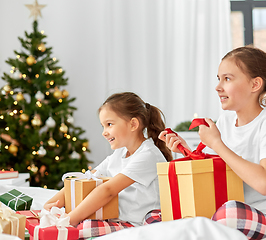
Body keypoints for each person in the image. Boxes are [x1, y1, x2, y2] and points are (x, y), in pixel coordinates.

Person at [158, 46, 266, 240]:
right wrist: (186, 150)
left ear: (255, 84)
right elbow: (213, 169)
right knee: (157, 215)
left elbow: (265, 183)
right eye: (218, 79)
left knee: (229, 213)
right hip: (229, 211)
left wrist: (217, 144)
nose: (218, 87)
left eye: (227, 79)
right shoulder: (225, 120)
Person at [44, 92, 172, 238]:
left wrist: (69, 220)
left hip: (139, 223)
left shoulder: (148, 155)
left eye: (109, 124)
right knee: (84, 220)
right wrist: (51, 204)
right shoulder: (120, 153)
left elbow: (108, 190)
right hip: (121, 220)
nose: (104, 133)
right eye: (103, 126)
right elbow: (87, 178)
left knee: (83, 226)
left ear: (133, 124)